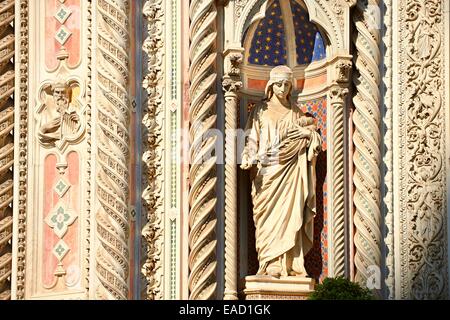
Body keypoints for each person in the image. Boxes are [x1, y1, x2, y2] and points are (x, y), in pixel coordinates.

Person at [241, 65, 322, 278]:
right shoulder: (261, 110)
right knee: (268, 220)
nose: (283, 88)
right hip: (267, 173)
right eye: (279, 84)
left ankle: (290, 263)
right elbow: (252, 137)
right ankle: (268, 263)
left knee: (290, 215)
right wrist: (249, 155)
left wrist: (310, 137)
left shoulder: (296, 112)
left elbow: (305, 141)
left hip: (291, 173)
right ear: (270, 85)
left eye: (287, 84)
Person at [38, 81, 80, 147]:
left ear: (67, 94)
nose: (60, 95)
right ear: (53, 95)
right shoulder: (47, 112)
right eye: (57, 92)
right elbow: (40, 135)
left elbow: (81, 128)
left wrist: (79, 120)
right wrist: (45, 127)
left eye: (63, 92)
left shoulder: (74, 109)